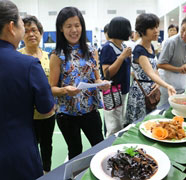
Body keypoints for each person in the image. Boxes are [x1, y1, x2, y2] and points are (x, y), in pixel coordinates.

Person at [0, 1, 55, 180]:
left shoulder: (46, 57)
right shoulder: (28, 64)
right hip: (17, 152)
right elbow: (46, 108)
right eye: (24, 26)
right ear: (11, 27)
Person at [49, 6, 110, 160]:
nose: (74, 30)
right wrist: (65, 90)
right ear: (61, 29)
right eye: (68, 26)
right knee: (75, 151)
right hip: (67, 114)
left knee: (100, 147)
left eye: (77, 25)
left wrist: (101, 83)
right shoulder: (57, 55)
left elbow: (96, 77)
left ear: (82, 27)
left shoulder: (91, 51)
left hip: (90, 110)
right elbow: (51, 88)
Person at [19, 15, 55, 174]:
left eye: (34, 30)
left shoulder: (49, 57)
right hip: (26, 115)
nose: (31, 34)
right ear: (21, 35)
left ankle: (47, 172)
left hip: (48, 114)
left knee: (47, 145)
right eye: (26, 31)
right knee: (29, 146)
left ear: (41, 33)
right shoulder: (17, 56)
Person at [126, 13, 176, 123]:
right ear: (142, 31)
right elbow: (150, 72)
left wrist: (158, 83)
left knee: (150, 122)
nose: (156, 30)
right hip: (140, 93)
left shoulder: (151, 46)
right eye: (152, 28)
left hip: (151, 91)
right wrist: (167, 86)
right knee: (139, 123)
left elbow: (155, 69)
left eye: (157, 27)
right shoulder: (139, 50)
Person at [157, 16, 186, 107]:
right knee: (165, 108)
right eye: (183, 29)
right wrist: (179, 69)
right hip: (166, 83)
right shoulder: (171, 42)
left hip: (181, 82)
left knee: (179, 107)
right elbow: (160, 64)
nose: (184, 34)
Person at [100, 16, 132, 136]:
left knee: (119, 123)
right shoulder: (108, 47)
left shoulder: (122, 47)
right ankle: (110, 150)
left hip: (122, 90)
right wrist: (122, 57)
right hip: (112, 92)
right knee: (113, 127)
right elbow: (107, 73)